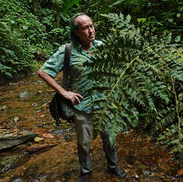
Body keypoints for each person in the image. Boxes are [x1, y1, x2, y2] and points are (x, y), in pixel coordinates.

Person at [38, 13, 126, 182]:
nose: (91, 31)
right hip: (81, 106)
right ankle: (86, 171)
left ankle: (113, 166)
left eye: (91, 26)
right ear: (76, 32)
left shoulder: (103, 46)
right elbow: (43, 72)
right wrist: (64, 92)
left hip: (105, 103)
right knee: (83, 143)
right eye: (85, 28)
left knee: (110, 139)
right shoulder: (67, 50)